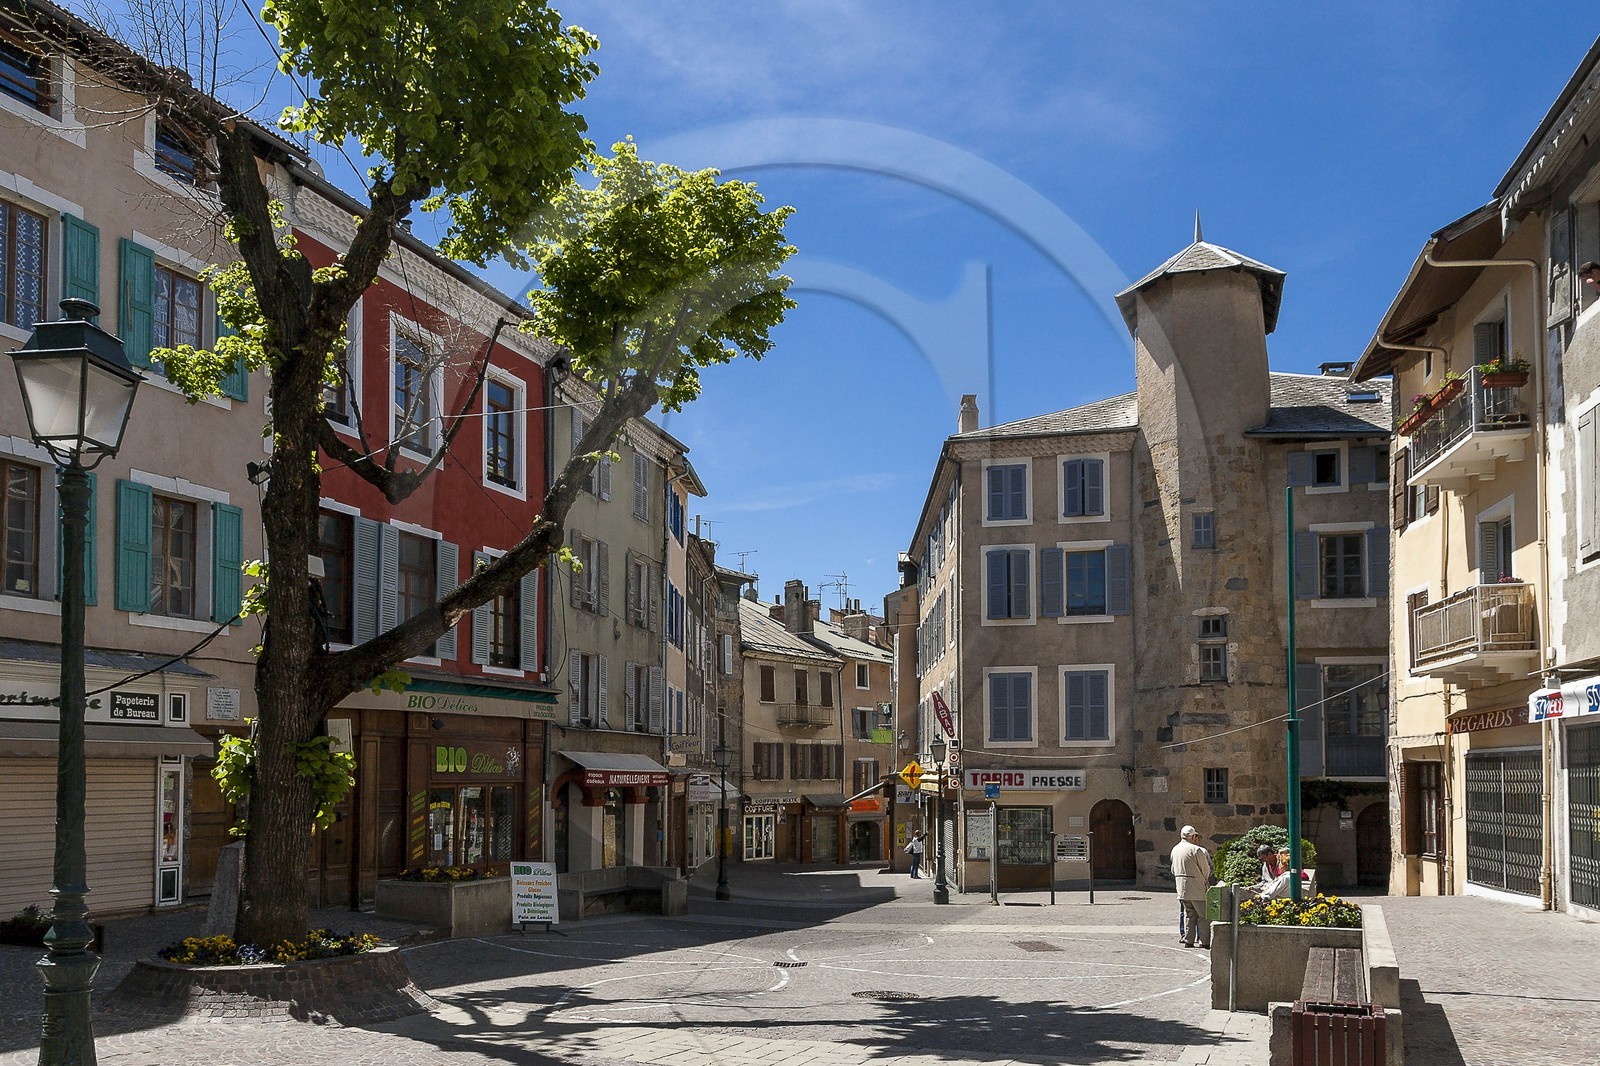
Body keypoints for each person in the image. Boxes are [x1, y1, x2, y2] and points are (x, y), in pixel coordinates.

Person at [1170, 825, 1212, 949]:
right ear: (1193, 836)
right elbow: (1205, 869)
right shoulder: (1196, 850)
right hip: (1196, 887)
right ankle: (1204, 941)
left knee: (1190, 915)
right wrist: (1203, 880)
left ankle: (1189, 939)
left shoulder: (1175, 849)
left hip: (1181, 887)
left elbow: (1173, 870)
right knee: (1203, 915)